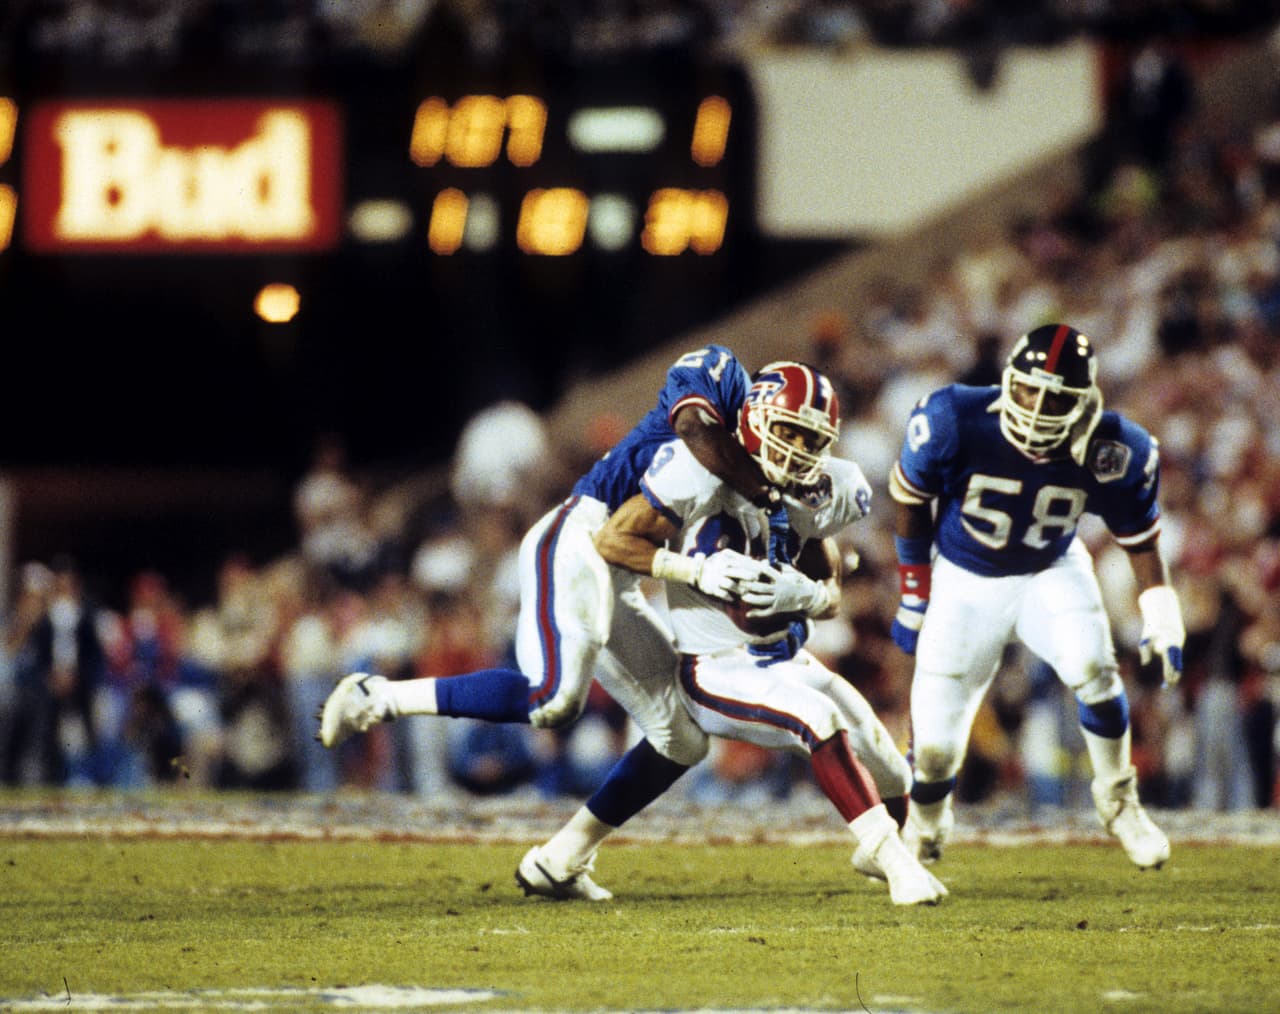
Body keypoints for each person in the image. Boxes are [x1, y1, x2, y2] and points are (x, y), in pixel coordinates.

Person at [521, 361, 946, 906]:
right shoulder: (697, 470)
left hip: (785, 661)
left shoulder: (826, 488)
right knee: (819, 720)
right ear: (754, 419)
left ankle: (561, 857)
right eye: (787, 430)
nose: (796, 449)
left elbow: (828, 572)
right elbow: (613, 540)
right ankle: (893, 862)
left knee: (887, 761)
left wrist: (813, 596)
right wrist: (692, 570)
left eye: (811, 438)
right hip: (719, 665)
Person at [319, 345, 774, 839]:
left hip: (620, 570)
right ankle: (375, 697)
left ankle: (564, 855)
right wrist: (763, 496)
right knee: (553, 701)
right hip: (579, 539)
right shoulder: (717, 381)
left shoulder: (746, 474)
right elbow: (691, 430)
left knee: (682, 736)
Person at [888, 323, 1184, 869]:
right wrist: (913, 591)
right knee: (932, 749)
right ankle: (926, 824)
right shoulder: (954, 418)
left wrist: (1162, 614)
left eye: (1057, 398)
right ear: (1008, 380)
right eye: (1028, 389)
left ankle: (1120, 802)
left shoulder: (1115, 447)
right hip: (963, 576)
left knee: (1095, 667)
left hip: (1050, 568)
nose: (1038, 406)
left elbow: (1140, 539)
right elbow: (910, 500)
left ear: (1085, 401)